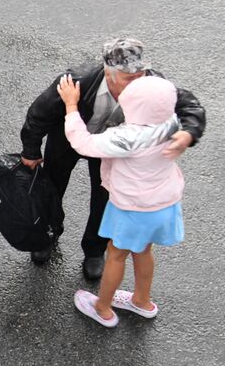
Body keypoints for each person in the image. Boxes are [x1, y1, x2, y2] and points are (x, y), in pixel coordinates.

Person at [20, 37, 205, 279]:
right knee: (52, 188)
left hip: (113, 151)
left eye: (140, 75)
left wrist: (188, 132)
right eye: (129, 79)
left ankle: (95, 250)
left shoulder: (153, 83)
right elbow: (39, 114)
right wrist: (31, 151)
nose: (137, 84)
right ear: (109, 74)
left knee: (104, 199)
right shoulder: (77, 80)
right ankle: (47, 235)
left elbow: (190, 105)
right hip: (67, 141)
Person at [57, 72, 185, 327]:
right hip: (164, 204)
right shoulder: (172, 124)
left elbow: (83, 143)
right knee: (144, 250)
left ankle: (102, 308)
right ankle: (141, 300)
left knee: (115, 255)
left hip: (132, 208)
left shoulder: (127, 137)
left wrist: (71, 105)